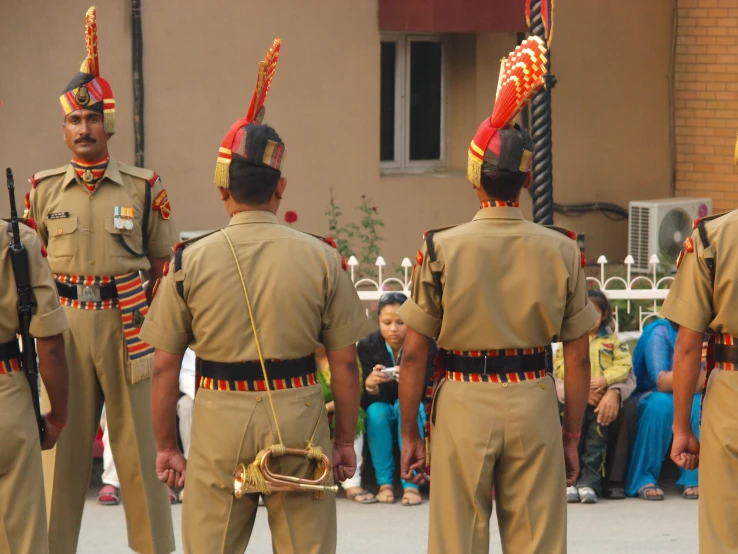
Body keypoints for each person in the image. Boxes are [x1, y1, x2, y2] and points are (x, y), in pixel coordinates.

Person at [140, 39, 371, 554]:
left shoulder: (188, 260)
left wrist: (166, 446)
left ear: (223, 189)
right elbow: (347, 363)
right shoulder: (321, 257)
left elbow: (162, 367)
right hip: (299, 411)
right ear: (280, 186)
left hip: (219, 414)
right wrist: (342, 441)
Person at [397, 37, 597, 554]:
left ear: (474, 178)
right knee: (537, 541)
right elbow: (577, 357)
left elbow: (415, 351)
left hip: (463, 398)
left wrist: (410, 434)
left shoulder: (441, 247)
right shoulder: (562, 250)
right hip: (532, 394)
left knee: (457, 541)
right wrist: (571, 436)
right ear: (527, 179)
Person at [28, 7, 176, 553]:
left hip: (128, 327)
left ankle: (155, 547)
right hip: (64, 331)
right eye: (74, 120)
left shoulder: (142, 188)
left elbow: (165, 267)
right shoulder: (42, 191)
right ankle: (49, 546)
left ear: (107, 123)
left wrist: (151, 327)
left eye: (92, 119)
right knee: (59, 452)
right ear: (63, 126)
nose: (83, 129)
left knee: (139, 453)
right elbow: (29, 268)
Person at [660, 209, 738, 552]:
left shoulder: (714, 237)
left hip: (731, 389)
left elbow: (689, 346)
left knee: (723, 531)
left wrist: (681, 429)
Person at [1, 218, 70, 554]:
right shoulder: (17, 239)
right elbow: (50, 344)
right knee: (22, 536)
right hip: (5, 390)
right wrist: (57, 416)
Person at [554, 289, 633, 503]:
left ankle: (590, 483)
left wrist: (605, 381)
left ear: (605, 315)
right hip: (574, 403)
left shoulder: (612, 341)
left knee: (595, 444)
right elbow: (560, 366)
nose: (590, 319)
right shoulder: (568, 342)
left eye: (595, 313)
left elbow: (624, 364)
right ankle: (570, 483)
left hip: (599, 404)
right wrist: (580, 388)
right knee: (571, 442)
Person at [358, 292, 436, 506]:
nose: (393, 328)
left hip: (413, 404)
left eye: (401, 322)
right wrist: (371, 385)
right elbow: (367, 396)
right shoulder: (367, 345)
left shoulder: (425, 344)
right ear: (378, 322)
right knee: (376, 412)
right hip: (382, 402)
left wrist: (412, 383)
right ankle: (385, 483)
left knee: (407, 407)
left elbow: (431, 387)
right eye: (387, 322)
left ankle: (412, 484)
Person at [625, 318, 703, 500]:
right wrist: (702, 368)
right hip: (653, 393)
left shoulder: (709, 334)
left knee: (699, 403)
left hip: (696, 392)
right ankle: (644, 477)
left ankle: (694, 478)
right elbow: (661, 381)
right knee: (661, 405)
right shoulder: (660, 331)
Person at [315, 345, 376, 504]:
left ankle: (352, 483)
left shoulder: (344, 356)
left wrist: (326, 408)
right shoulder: (298, 359)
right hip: (307, 411)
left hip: (337, 409)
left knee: (353, 417)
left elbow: (353, 393)